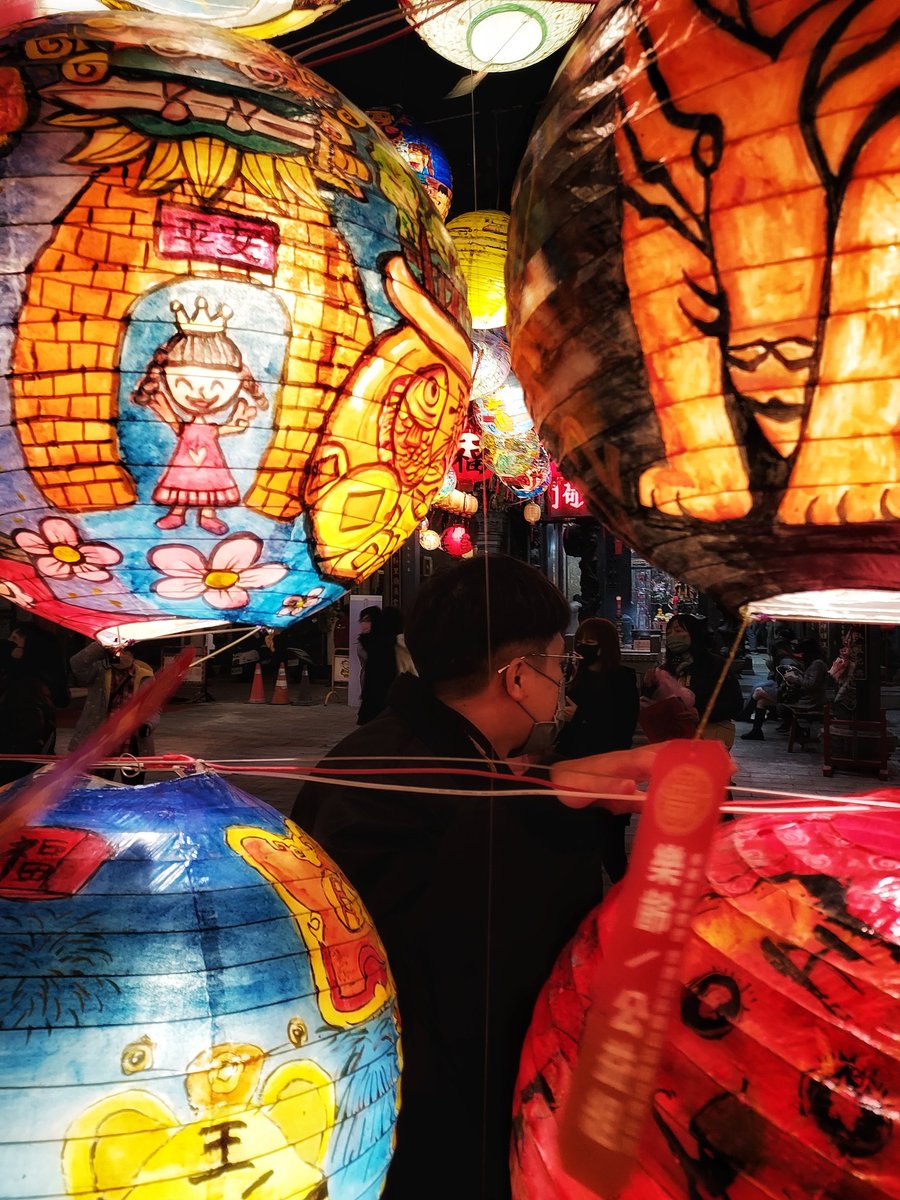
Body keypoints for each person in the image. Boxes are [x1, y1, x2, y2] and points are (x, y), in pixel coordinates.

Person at [291, 556, 659, 1200]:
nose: (562, 684)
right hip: (443, 1132)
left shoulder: (371, 752)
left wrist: (551, 788)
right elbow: (523, 991)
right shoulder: (481, 811)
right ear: (518, 677)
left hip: (356, 1107)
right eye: (557, 662)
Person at [555, 617, 639, 881]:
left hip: (608, 772)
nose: (582, 647)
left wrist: (580, 717)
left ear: (605, 646)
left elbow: (622, 730)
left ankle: (626, 899)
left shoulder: (622, 679)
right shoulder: (576, 677)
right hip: (575, 766)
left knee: (611, 847)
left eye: (589, 642)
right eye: (579, 641)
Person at [646, 613, 744, 748]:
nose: (672, 636)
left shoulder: (715, 665)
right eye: (668, 632)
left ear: (694, 633)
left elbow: (735, 703)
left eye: (678, 630)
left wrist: (702, 713)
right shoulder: (666, 669)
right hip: (674, 740)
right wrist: (649, 685)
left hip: (709, 738)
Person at [69, 641, 159, 782]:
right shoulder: (99, 671)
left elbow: (153, 707)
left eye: (126, 651)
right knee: (98, 787)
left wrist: (147, 725)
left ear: (133, 655)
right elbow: (76, 663)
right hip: (101, 743)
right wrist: (101, 644)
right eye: (117, 651)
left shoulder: (145, 676)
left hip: (132, 745)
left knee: (132, 790)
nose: (121, 655)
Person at [0, 625, 67, 784]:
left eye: (14, 641)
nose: (9, 646)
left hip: (15, 777)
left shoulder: (27, 689)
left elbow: (28, 741)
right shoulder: (27, 682)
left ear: (31, 649)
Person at [741, 638, 800, 739]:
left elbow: (791, 681)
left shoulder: (787, 661)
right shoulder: (782, 660)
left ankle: (745, 714)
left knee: (758, 691)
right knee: (761, 701)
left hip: (789, 694)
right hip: (783, 691)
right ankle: (756, 731)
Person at [356, 605, 403, 725]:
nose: (363, 624)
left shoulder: (383, 643)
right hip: (372, 690)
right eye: (362, 620)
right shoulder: (367, 642)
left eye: (367, 620)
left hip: (383, 690)